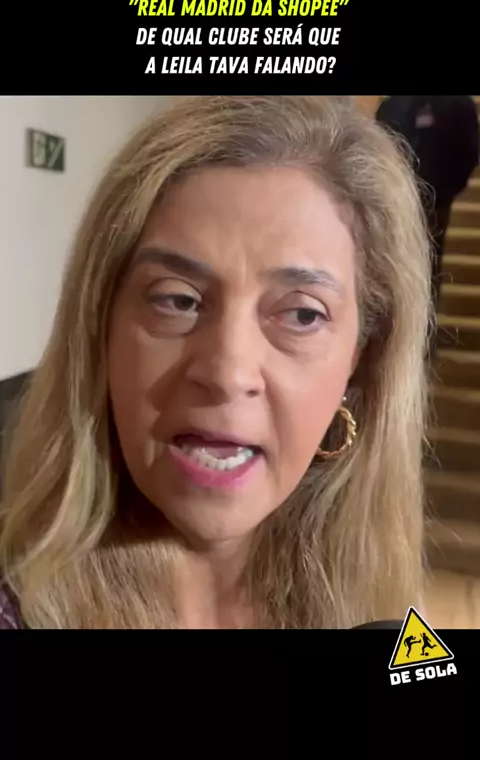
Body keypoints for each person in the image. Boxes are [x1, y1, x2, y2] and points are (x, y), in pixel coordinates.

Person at [0, 96, 432, 630]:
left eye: (301, 313)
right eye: (177, 300)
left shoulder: (384, 612)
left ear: (359, 361)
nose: (228, 372)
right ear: (100, 329)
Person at [375, 96, 479, 307]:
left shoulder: (459, 106)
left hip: (436, 203)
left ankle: (423, 321)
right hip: (392, 203)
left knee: (428, 267)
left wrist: (444, 193)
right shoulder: (391, 106)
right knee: (390, 266)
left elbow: (468, 155)